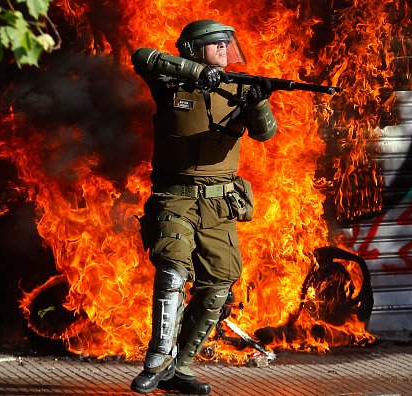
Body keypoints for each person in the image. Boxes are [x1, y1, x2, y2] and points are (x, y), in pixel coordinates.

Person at [129, 19, 277, 394]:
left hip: (220, 203)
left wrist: (258, 101)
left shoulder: (238, 88)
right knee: (172, 272)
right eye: (217, 45)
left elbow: (265, 133)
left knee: (218, 286)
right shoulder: (169, 85)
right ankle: (156, 361)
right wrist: (199, 74)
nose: (226, 50)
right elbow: (142, 57)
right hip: (174, 196)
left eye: (228, 44)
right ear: (195, 50)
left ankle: (179, 369)